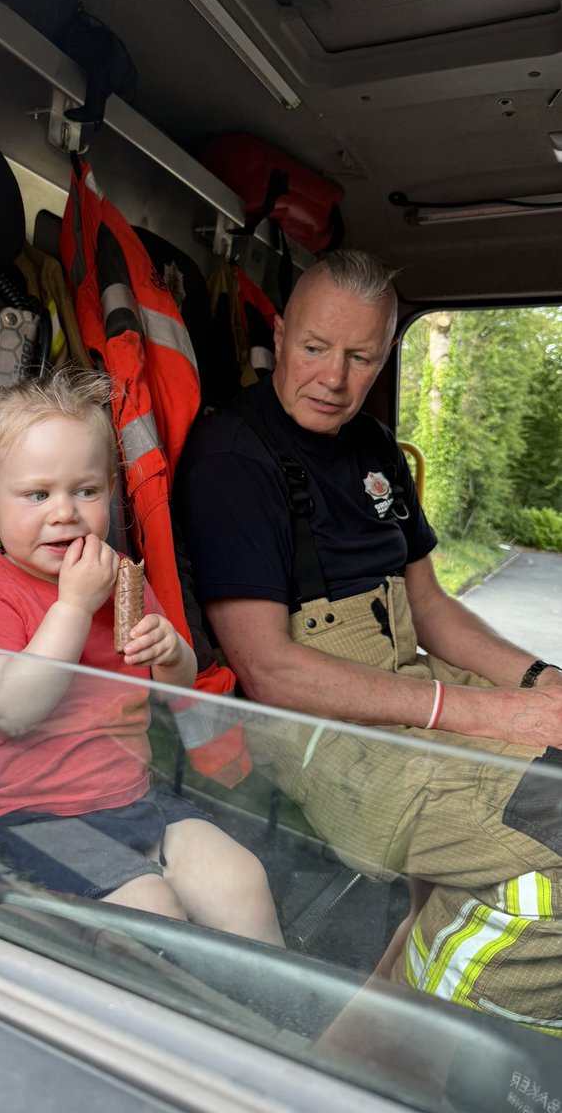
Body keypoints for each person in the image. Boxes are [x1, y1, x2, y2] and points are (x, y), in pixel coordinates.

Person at [175, 248, 562, 1026]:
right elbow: (271, 670)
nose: (334, 378)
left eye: (360, 357)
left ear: (385, 355)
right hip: (316, 728)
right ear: (280, 336)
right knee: (549, 858)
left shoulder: (375, 445)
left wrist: (537, 682)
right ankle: (415, 1048)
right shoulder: (233, 458)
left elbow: (431, 609)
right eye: (315, 348)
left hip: (409, 688)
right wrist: (487, 713)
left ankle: (382, 1008)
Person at [0, 368, 283, 945]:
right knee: (151, 909)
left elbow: (173, 685)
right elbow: (10, 709)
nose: (64, 512)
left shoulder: (122, 578)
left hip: (131, 797)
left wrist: (171, 653)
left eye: (86, 491)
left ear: (111, 491)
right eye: (37, 494)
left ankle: (264, 1003)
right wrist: (74, 607)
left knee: (241, 879)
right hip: (25, 821)